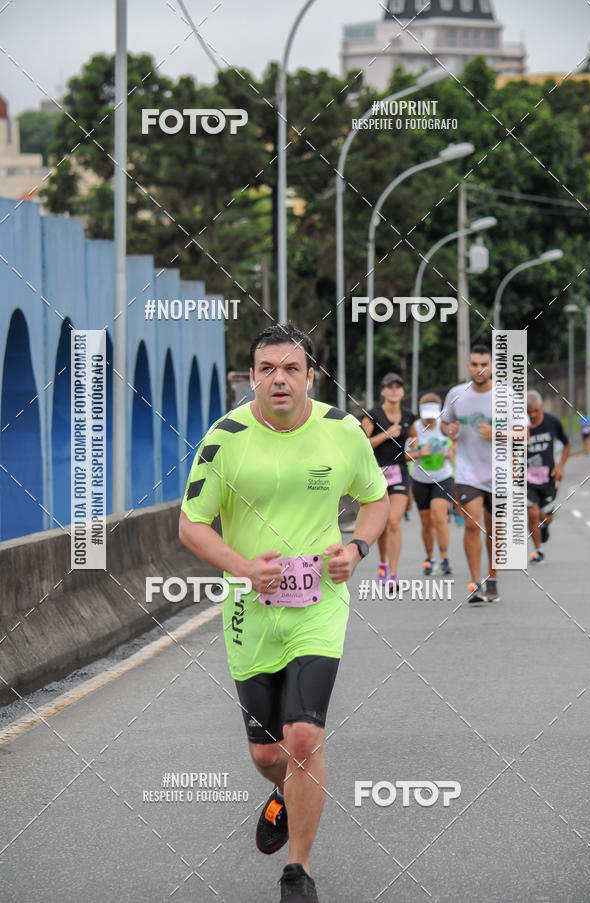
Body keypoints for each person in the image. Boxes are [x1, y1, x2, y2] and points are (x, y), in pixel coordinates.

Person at [179, 324, 389, 903]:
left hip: (319, 606)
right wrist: (244, 567)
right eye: (267, 369)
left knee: (301, 739)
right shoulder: (225, 438)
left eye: (291, 368)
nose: (279, 379)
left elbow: (376, 499)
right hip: (249, 610)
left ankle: (298, 871)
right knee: (268, 754)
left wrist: (357, 549)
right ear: (251, 378)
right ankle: (283, 791)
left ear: (310, 377)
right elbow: (191, 524)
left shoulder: (342, 431)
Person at [441, 345, 498, 603]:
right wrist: (449, 430)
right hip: (467, 472)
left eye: (484, 364)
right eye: (474, 364)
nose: (479, 369)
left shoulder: (506, 395)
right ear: (468, 366)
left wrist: (496, 433)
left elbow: (524, 432)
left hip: (498, 472)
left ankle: (493, 578)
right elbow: (444, 424)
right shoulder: (456, 394)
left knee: (494, 528)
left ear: (492, 366)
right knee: (472, 524)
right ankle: (476, 584)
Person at [361, 373, 417, 588]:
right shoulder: (372, 415)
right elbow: (362, 444)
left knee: (394, 521)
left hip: (400, 472)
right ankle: (383, 563)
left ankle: (393, 574)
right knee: (383, 524)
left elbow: (414, 440)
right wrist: (386, 434)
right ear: (383, 391)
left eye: (398, 387)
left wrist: (416, 446)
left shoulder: (409, 416)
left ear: (402, 391)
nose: (394, 390)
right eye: (390, 387)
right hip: (375, 473)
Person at [409, 393, 456, 576]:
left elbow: (457, 440)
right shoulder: (415, 428)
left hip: (443, 477)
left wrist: (452, 451)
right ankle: (430, 558)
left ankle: (444, 558)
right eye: (426, 416)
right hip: (420, 479)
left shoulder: (444, 426)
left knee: (439, 516)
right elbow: (406, 455)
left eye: (432, 415)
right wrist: (419, 453)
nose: (429, 419)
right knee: (426, 522)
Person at [527, 391, 570, 562]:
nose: (532, 415)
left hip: (549, 479)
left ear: (541, 407)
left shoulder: (552, 422)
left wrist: (560, 466)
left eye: (535, 411)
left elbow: (567, 443)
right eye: (528, 412)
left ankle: (544, 525)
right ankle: (538, 551)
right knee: (532, 513)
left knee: (545, 517)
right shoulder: (519, 426)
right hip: (527, 480)